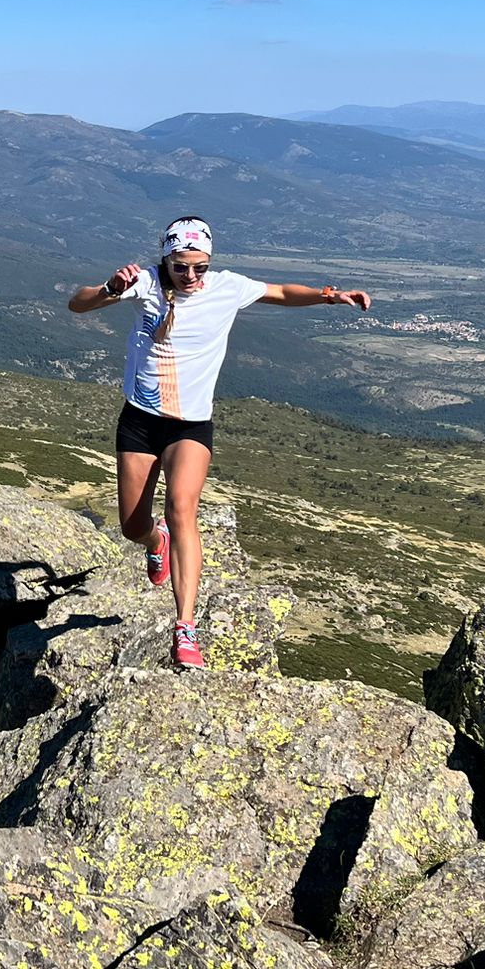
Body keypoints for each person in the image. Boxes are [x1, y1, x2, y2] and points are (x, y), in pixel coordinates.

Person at [66, 215, 373, 667]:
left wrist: (330, 295)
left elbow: (281, 293)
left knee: (181, 509)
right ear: (166, 259)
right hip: (140, 422)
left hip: (190, 426)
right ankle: (155, 542)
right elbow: (77, 304)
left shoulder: (226, 287)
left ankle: (185, 627)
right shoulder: (144, 282)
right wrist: (111, 289)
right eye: (181, 267)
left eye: (200, 267)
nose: (191, 275)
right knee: (132, 525)